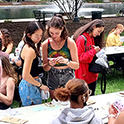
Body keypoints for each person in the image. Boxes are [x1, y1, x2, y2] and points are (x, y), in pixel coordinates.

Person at [42, 14, 79, 100]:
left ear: (62, 29)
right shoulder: (45, 44)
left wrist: (67, 61)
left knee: (69, 102)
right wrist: (50, 64)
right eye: (51, 33)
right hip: (53, 75)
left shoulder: (70, 42)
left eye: (57, 33)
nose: (54, 35)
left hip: (68, 75)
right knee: (54, 102)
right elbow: (45, 68)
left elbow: (77, 65)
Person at [19, 21, 49, 106]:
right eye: (37, 36)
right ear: (29, 35)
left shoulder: (27, 46)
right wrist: (41, 85)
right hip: (30, 85)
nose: (39, 38)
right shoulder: (30, 50)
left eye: (40, 35)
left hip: (30, 83)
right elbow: (26, 75)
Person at [73, 19, 105, 95]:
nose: (99, 34)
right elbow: (80, 57)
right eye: (99, 31)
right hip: (83, 76)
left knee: (91, 97)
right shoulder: (81, 38)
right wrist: (94, 51)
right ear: (93, 27)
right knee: (82, 99)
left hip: (92, 75)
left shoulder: (92, 38)